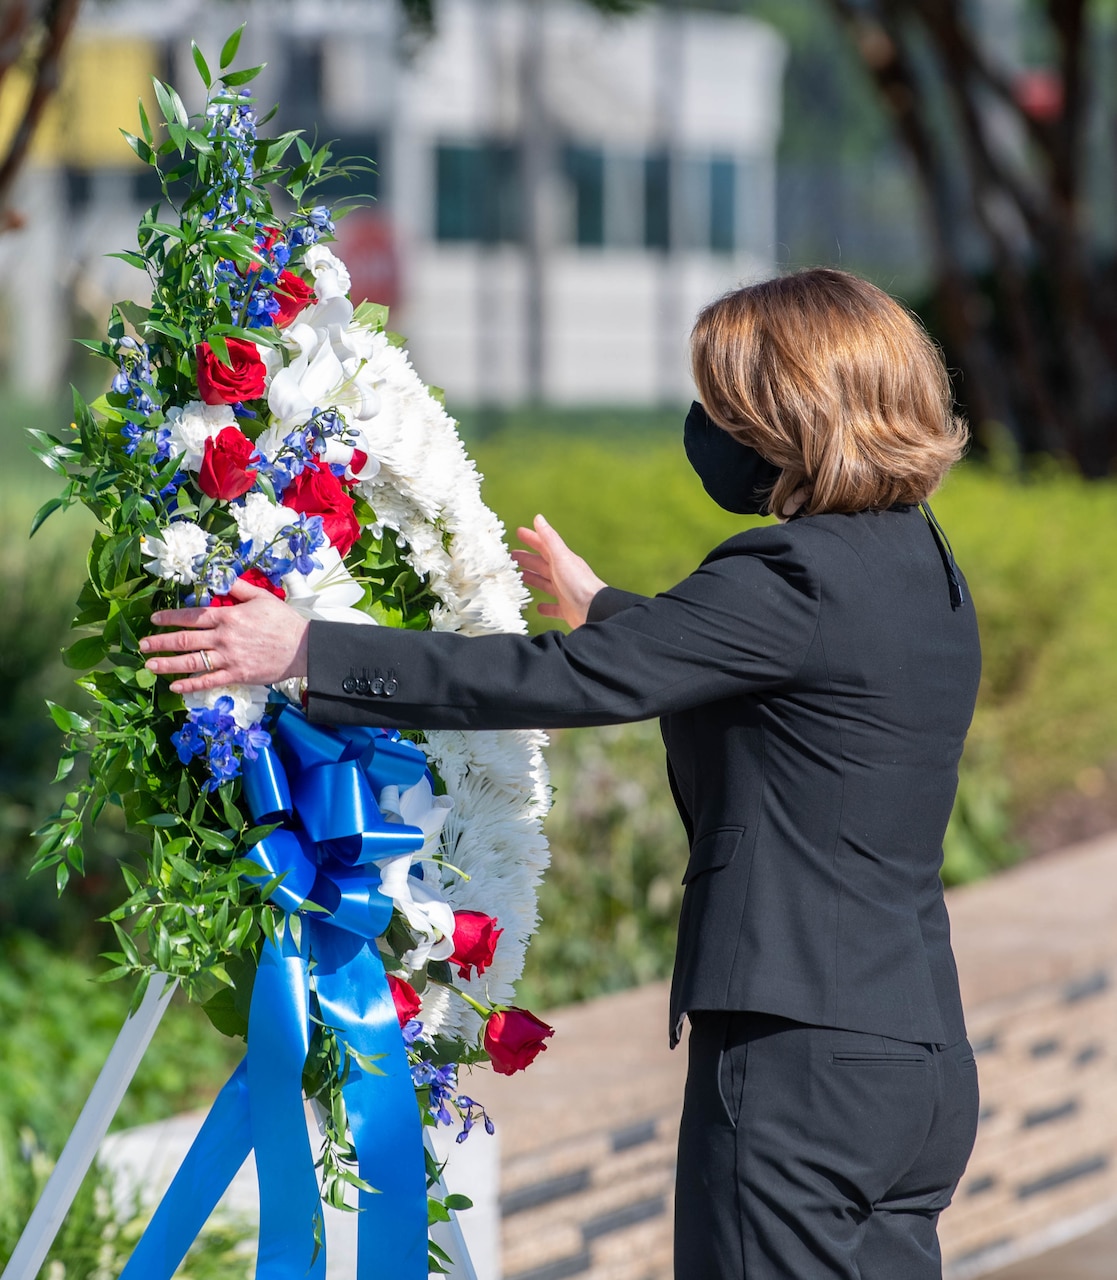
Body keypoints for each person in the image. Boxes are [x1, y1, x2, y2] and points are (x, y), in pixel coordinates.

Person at [142, 267, 982, 1280]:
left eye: (725, 404)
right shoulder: (922, 568)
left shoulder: (788, 571)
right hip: (913, 1063)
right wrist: (615, 612)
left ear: (787, 415)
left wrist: (307, 651)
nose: (708, 425)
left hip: (799, 1065)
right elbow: (794, 675)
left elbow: (559, 682)